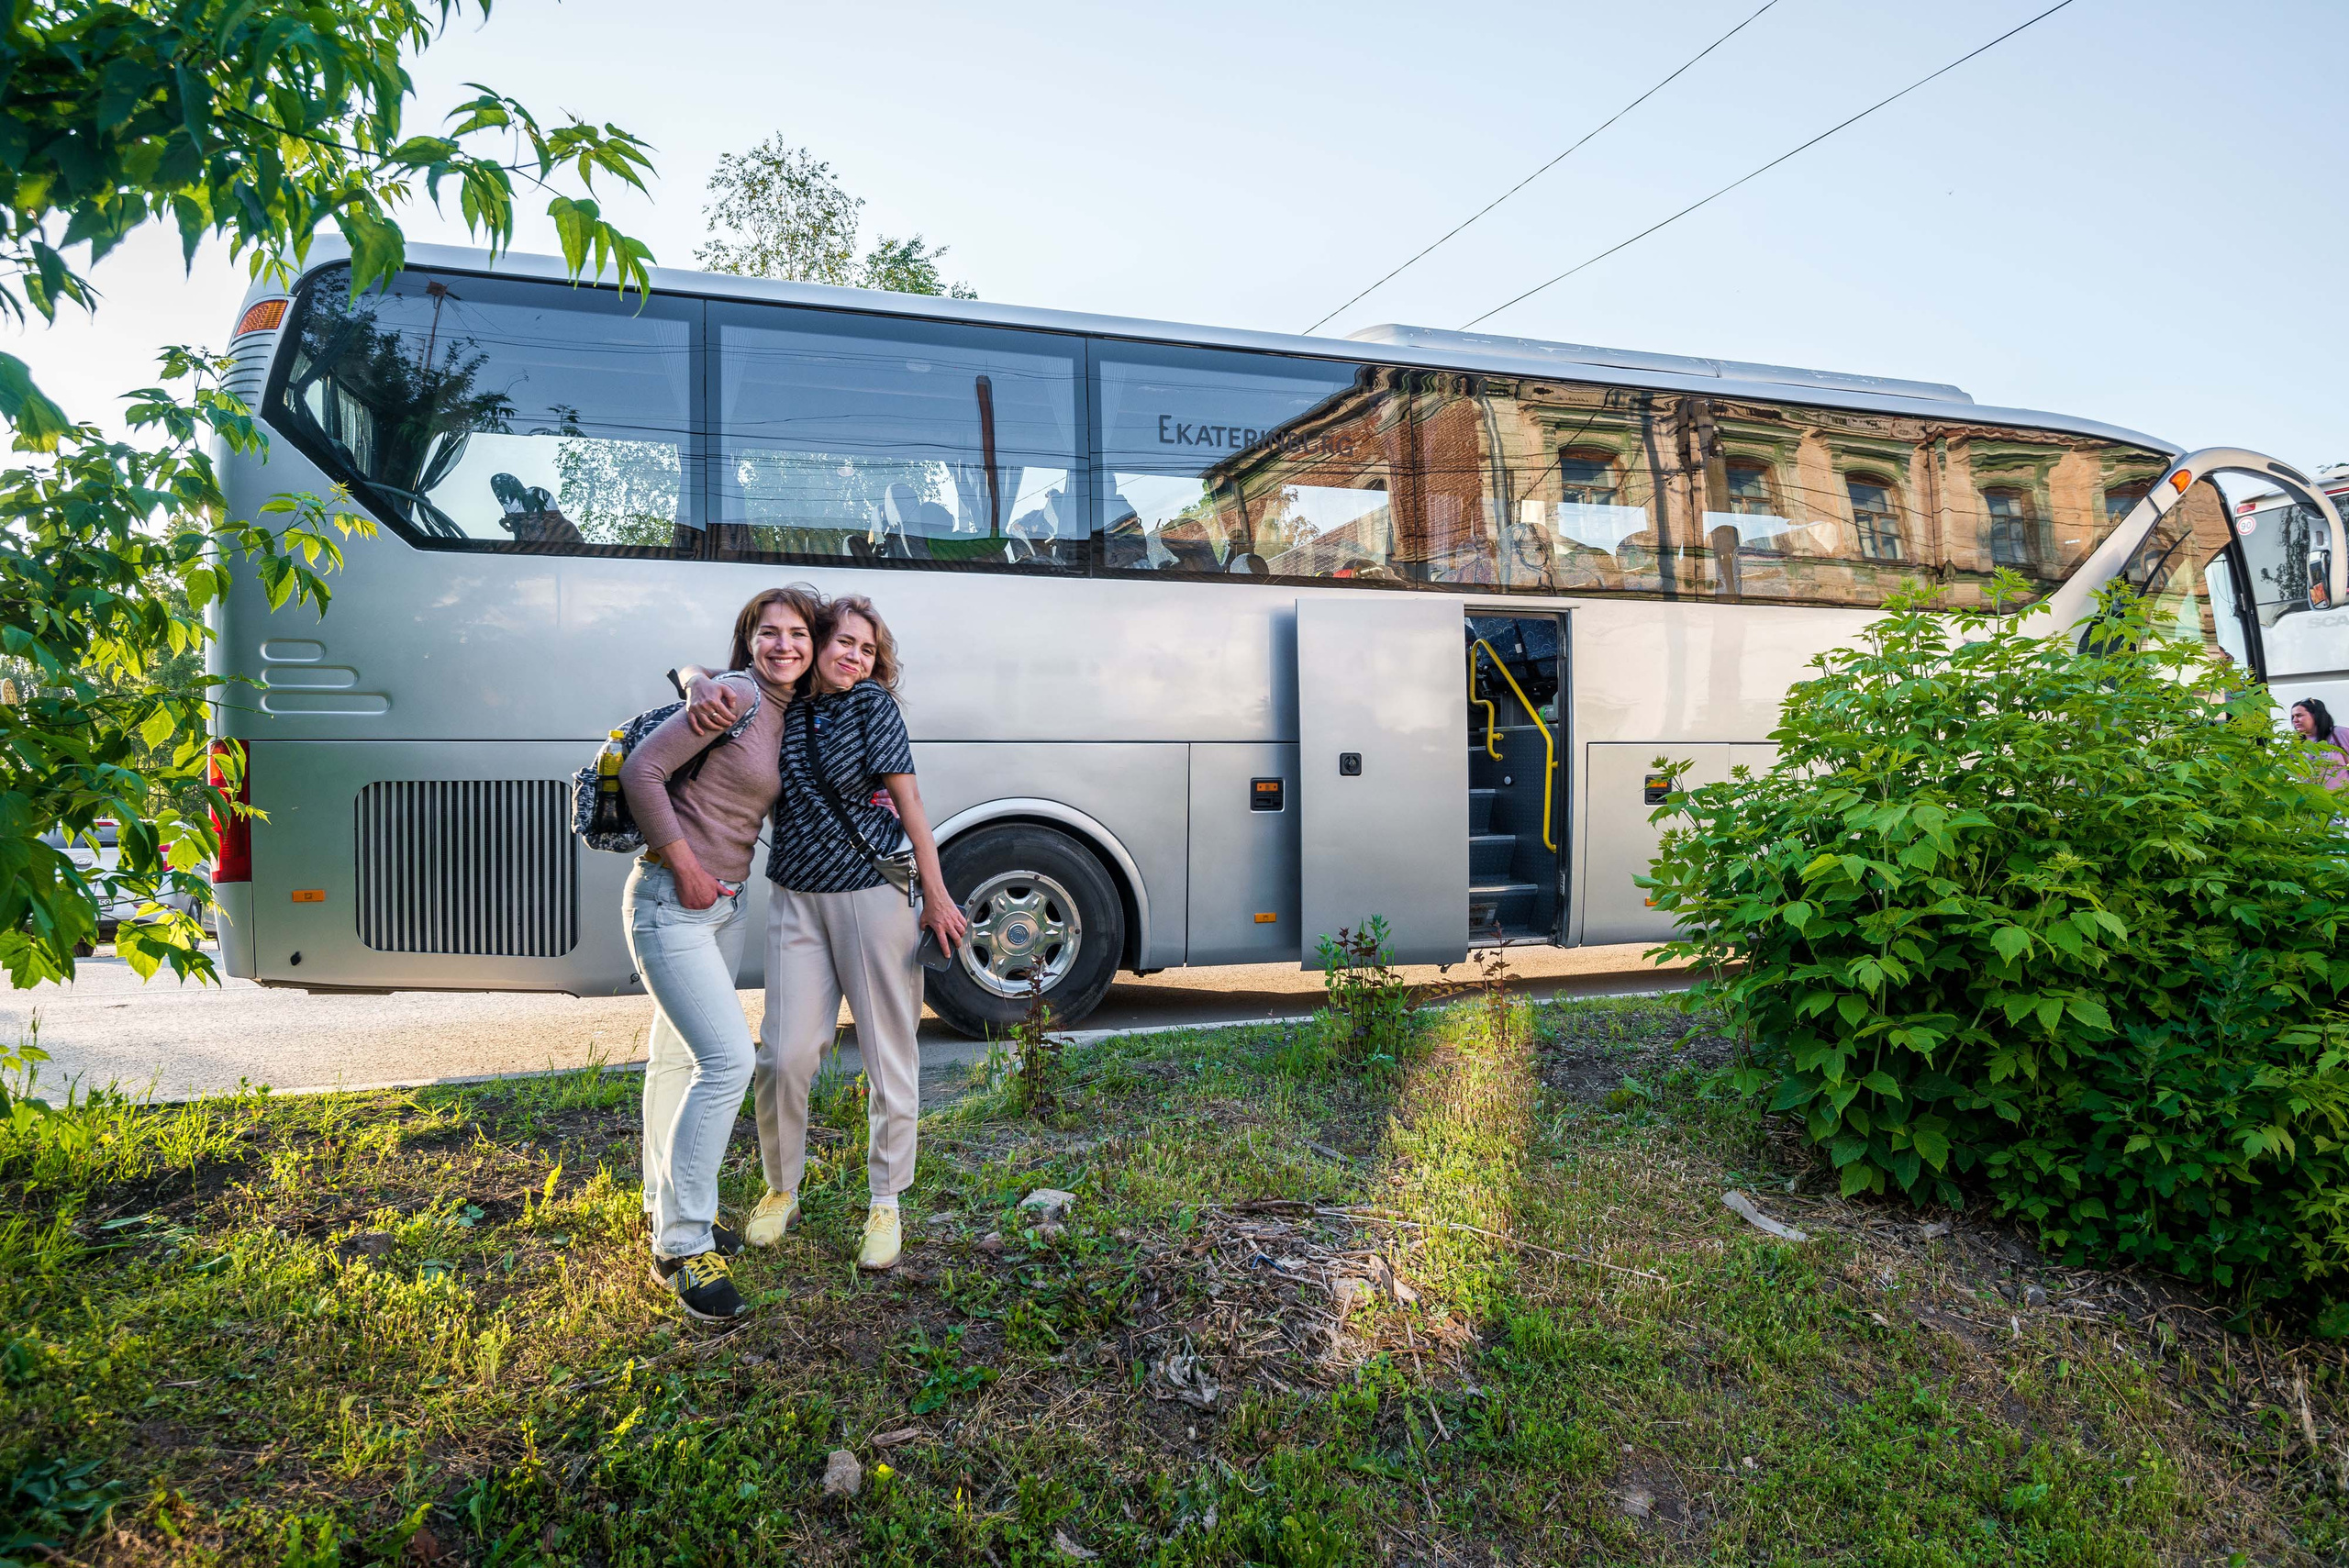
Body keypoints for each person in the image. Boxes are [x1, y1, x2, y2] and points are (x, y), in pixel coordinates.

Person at [682, 596, 967, 1271]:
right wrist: (694, 679)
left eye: (868, 650)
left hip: (874, 897)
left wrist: (937, 893)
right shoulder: (780, 706)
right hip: (796, 899)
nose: (855, 658)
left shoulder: (873, 707)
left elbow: (911, 804)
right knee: (784, 1054)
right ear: (818, 645)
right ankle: (782, 1187)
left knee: (886, 1053)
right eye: (844, 643)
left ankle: (886, 1200)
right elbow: (706, 674)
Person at [618, 584, 819, 1321]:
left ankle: (663, 1215)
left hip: (720, 908)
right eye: (769, 632)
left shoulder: (784, 705)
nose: (784, 645)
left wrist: (690, 672)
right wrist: (687, 864)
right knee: (729, 1061)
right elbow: (642, 769)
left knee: (677, 1061)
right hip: (673, 900)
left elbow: (697, 670)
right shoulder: (736, 694)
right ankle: (686, 1240)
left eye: (797, 633)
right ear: (751, 640)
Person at [2290, 697, 2349, 791]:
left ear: (2316, 715)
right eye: (2293, 717)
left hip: (2341, 800)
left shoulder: (2338, 733)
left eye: (2299, 715)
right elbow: (2286, 772)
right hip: (2311, 801)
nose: (2295, 720)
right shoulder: (2296, 743)